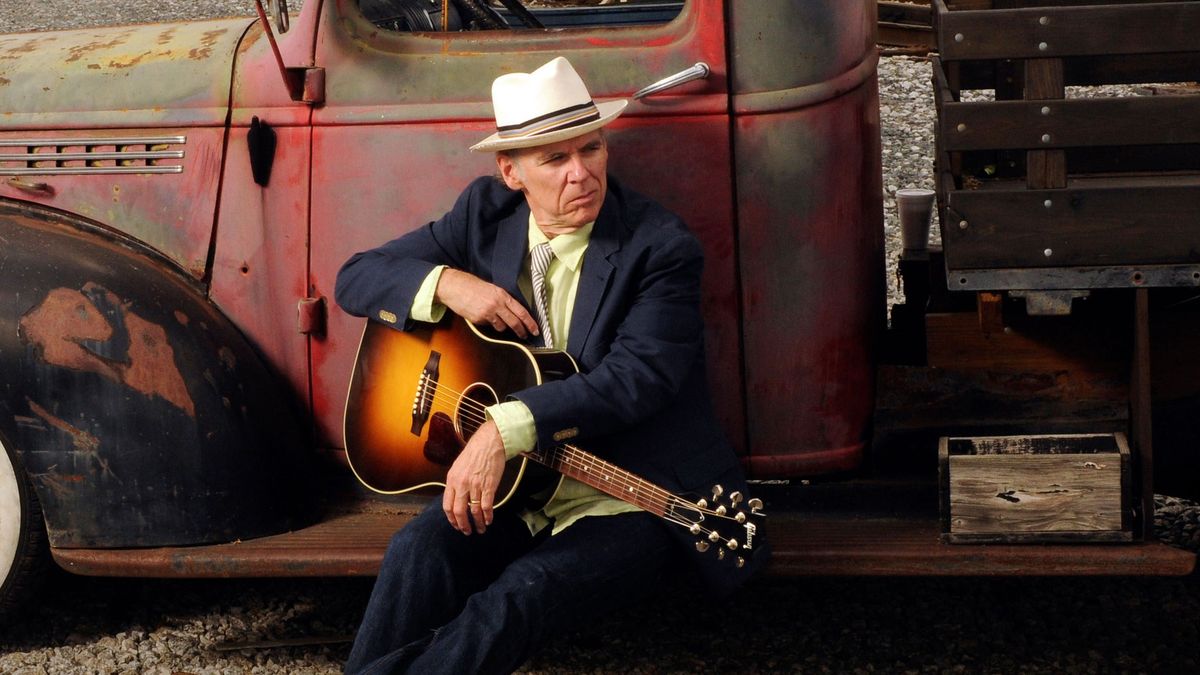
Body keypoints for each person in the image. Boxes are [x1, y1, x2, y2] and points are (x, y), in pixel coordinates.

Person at [335, 56, 764, 675]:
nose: (582, 173)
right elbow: (357, 277)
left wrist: (503, 428)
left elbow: (638, 379)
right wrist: (452, 283)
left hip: (630, 494)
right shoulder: (484, 215)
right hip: (521, 487)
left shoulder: (659, 247)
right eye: (555, 159)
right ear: (511, 172)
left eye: (591, 149)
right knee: (416, 552)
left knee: (513, 602)